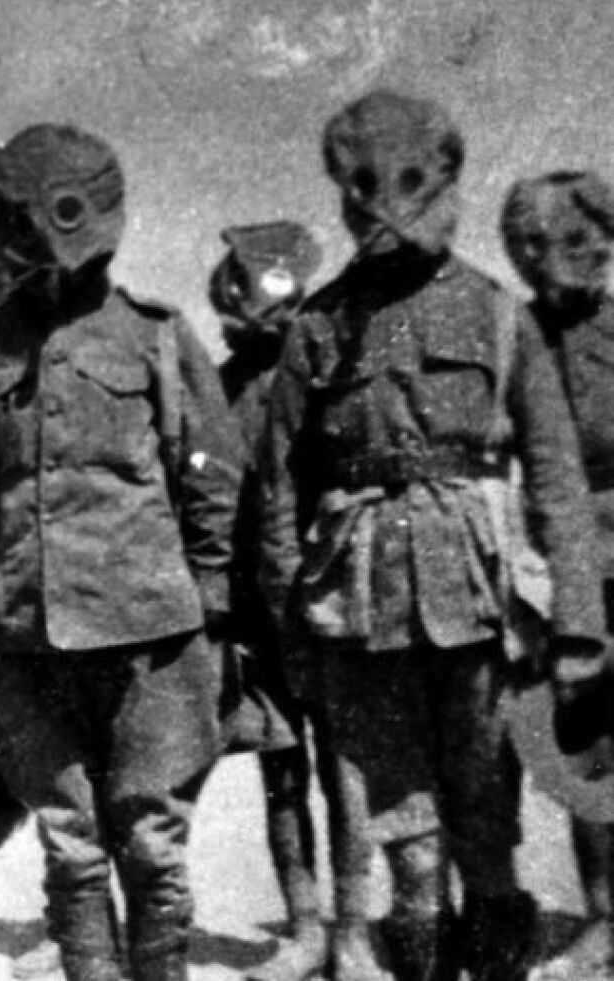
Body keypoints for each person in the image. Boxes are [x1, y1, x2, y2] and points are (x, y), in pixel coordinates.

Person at [257, 90, 608, 981]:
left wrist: (577, 627)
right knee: (406, 840)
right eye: (362, 183)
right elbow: (278, 492)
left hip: (478, 602)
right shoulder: (317, 325)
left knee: (486, 820)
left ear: (445, 183)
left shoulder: (497, 313)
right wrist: (291, 630)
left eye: (408, 180)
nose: (382, 205)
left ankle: (493, 947)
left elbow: (556, 481)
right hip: (357, 607)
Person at [0, 125, 242, 981]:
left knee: (149, 840)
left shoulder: (155, 334)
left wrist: (210, 595)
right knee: (70, 843)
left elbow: (210, 471)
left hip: (149, 636)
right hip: (28, 640)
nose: (19, 235)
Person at [205, 222, 378, 981]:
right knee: (280, 771)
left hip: (328, 598)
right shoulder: (218, 387)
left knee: (345, 770)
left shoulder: (329, 372)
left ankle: (352, 932)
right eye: (242, 289)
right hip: (256, 610)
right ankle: (305, 928)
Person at [499, 169, 614, 977]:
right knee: (584, 749)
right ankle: (604, 915)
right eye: (536, 244)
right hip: (556, 574)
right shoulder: (512, 338)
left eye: (585, 240)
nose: (569, 258)